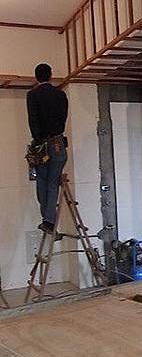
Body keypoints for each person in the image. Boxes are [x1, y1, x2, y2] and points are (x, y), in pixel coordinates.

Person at [27, 63, 69, 234]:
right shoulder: (60, 95)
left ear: (36, 77)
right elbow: (63, 116)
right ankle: (48, 221)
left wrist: (38, 141)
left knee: (42, 181)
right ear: (51, 76)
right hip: (58, 142)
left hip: (41, 144)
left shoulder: (32, 95)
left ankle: (47, 219)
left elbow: (33, 120)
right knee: (52, 182)